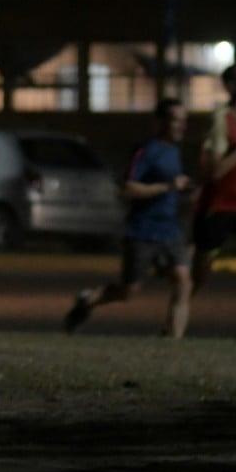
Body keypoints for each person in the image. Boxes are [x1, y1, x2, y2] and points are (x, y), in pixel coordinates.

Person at [64, 98, 194, 338]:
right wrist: (167, 186)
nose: (182, 126)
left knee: (184, 281)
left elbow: (171, 186)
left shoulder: (175, 152)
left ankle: (173, 342)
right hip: (142, 230)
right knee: (129, 291)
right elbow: (127, 188)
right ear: (161, 122)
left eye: (184, 121)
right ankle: (88, 300)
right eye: (177, 120)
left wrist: (184, 189)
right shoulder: (147, 151)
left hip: (169, 230)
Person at [190, 66, 236, 302]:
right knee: (199, 273)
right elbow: (216, 171)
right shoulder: (222, 120)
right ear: (232, 86)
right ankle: (176, 320)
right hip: (220, 205)